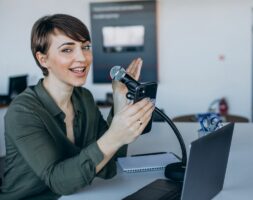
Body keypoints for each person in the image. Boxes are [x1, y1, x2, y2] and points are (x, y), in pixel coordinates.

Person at [0, 14, 155, 199]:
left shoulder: (84, 98)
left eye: (86, 47)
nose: (82, 57)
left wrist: (120, 100)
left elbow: (110, 166)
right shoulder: (22, 111)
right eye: (67, 50)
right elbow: (59, 182)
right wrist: (115, 136)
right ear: (43, 60)